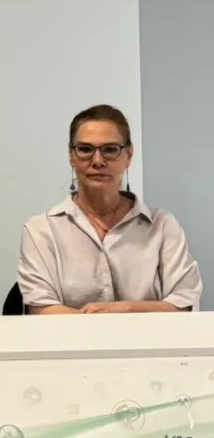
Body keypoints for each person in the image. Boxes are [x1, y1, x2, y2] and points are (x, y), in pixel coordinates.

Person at [18, 105, 201, 314]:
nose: (97, 161)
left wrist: (126, 310)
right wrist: (102, 325)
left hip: (149, 336)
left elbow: (184, 303)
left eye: (110, 150)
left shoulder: (162, 226)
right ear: (71, 156)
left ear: (129, 155)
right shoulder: (42, 230)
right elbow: (41, 310)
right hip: (70, 337)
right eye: (85, 150)